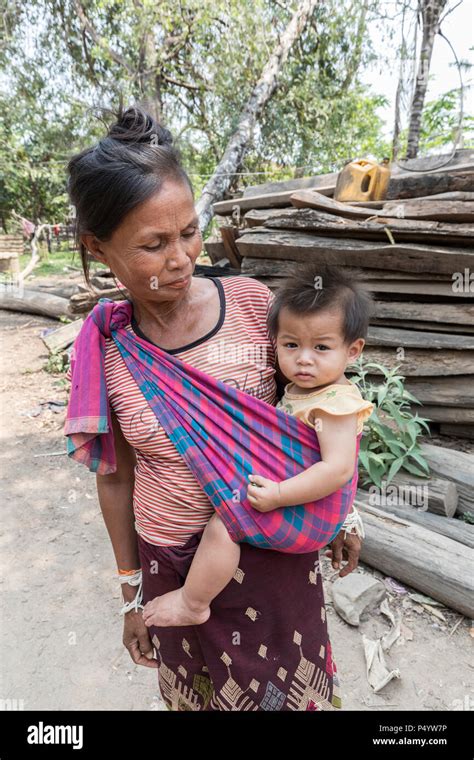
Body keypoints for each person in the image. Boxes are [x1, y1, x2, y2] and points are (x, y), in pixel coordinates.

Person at [65, 104, 364, 712]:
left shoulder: (257, 309)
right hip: (173, 565)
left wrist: (345, 515)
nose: (180, 258)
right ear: (97, 247)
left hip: (271, 547)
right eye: (152, 244)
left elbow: (312, 420)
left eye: (189, 232)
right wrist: (131, 594)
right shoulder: (106, 344)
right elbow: (116, 476)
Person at [142, 263, 373, 629]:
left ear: (353, 350)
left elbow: (338, 468)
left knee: (223, 525)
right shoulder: (308, 390)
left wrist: (280, 493)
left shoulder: (335, 404)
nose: (304, 359)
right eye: (291, 344)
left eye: (322, 347)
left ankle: (193, 602)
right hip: (299, 497)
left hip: (307, 508)